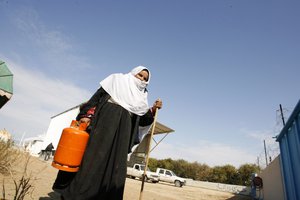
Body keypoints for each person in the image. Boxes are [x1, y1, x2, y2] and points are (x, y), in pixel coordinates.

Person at [52, 66, 162, 200]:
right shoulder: (116, 80)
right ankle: (76, 195)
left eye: (145, 79)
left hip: (123, 133)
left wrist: (154, 110)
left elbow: (143, 121)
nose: (142, 80)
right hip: (103, 124)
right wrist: (86, 115)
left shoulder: (141, 98)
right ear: (133, 73)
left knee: (115, 168)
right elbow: (96, 98)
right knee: (92, 159)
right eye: (140, 75)